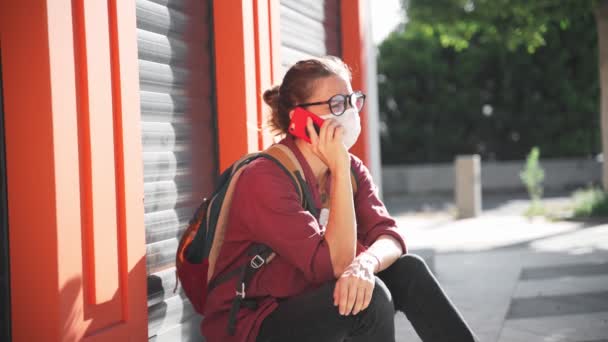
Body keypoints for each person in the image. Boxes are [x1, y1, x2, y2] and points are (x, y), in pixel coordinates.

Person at [201, 56, 478, 342]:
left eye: (351, 100)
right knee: (369, 301)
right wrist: (340, 170)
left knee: (409, 271)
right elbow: (332, 265)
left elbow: (389, 236)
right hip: (253, 323)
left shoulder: (350, 168)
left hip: (307, 298)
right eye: (336, 104)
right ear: (300, 118)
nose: (348, 112)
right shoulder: (264, 178)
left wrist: (366, 263)